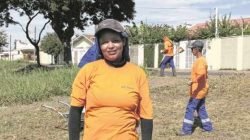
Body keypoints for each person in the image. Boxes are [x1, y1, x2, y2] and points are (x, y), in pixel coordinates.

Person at [68, 19, 153, 140]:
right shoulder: (88, 71)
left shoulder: (137, 74)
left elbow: (146, 115)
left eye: (115, 40)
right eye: (104, 42)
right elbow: (75, 111)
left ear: (123, 41)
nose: (110, 46)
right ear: (99, 46)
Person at [178, 40, 213, 136]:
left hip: (198, 91)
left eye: (192, 49)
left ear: (197, 49)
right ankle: (208, 127)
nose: (191, 51)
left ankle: (186, 130)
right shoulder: (201, 60)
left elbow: (201, 74)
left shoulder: (201, 61)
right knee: (201, 109)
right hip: (201, 90)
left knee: (190, 109)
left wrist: (192, 81)